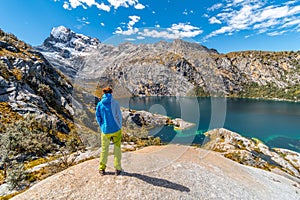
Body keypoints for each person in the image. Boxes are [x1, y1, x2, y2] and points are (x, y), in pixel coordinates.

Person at [95, 87, 123, 176]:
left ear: (103, 93)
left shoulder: (100, 104)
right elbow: (119, 116)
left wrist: (102, 126)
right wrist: (119, 125)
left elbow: (98, 117)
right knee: (117, 149)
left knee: (104, 149)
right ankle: (117, 169)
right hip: (116, 129)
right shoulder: (115, 103)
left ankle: (102, 169)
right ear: (111, 93)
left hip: (105, 130)